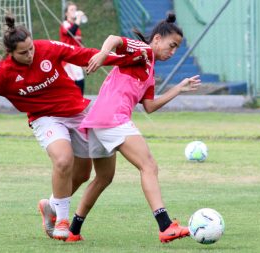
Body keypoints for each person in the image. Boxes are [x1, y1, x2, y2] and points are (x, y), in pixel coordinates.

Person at [0, 14, 146, 241]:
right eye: (23, 53)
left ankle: (51, 206)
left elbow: (83, 55)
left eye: (31, 48)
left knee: (83, 174)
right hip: (45, 118)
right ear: (11, 53)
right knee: (63, 160)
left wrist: (125, 59)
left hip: (77, 112)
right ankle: (62, 221)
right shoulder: (3, 72)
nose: (30, 54)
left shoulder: (47, 48)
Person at [65, 13, 202, 242]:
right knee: (148, 165)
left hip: (99, 120)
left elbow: (149, 106)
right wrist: (102, 54)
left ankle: (73, 231)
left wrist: (178, 89)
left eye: (177, 48)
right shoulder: (144, 51)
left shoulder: (150, 71)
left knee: (103, 178)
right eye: (172, 45)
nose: (173, 51)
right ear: (157, 39)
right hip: (112, 118)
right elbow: (113, 39)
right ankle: (165, 225)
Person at [59, 1, 87, 94]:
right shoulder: (65, 24)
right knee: (78, 80)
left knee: (77, 81)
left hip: (76, 57)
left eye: (75, 9)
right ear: (66, 13)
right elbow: (71, 32)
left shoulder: (77, 28)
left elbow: (78, 44)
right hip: (68, 58)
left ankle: (78, 104)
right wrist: (78, 18)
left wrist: (84, 60)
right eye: (71, 10)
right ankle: (78, 104)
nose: (74, 11)